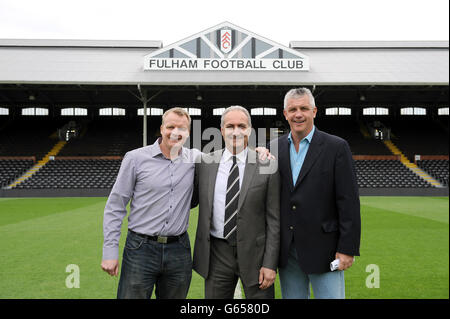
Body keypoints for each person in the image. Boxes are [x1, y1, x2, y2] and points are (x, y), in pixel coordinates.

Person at [101, 107, 272, 299]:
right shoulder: (135, 158)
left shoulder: (197, 159)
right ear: (161, 128)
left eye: (181, 128)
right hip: (141, 248)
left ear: (188, 132)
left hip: (178, 250)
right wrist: (110, 250)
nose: (175, 132)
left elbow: (235, 154)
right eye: (170, 126)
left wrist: (260, 151)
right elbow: (115, 206)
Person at [270, 88, 361, 299]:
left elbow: (348, 201)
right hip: (288, 251)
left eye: (304, 108)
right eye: (292, 109)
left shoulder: (336, 147)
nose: (298, 114)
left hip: (325, 250)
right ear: (285, 114)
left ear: (314, 111)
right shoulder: (273, 148)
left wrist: (347, 248)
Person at [193, 105, 280, 299]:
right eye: (230, 126)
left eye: (242, 126)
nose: (236, 131)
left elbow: (274, 220)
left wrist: (269, 263)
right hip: (217, 253)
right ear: (222, 130)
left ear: (249, 130)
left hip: (256, 254)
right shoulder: (205, 163)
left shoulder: (266, 164)